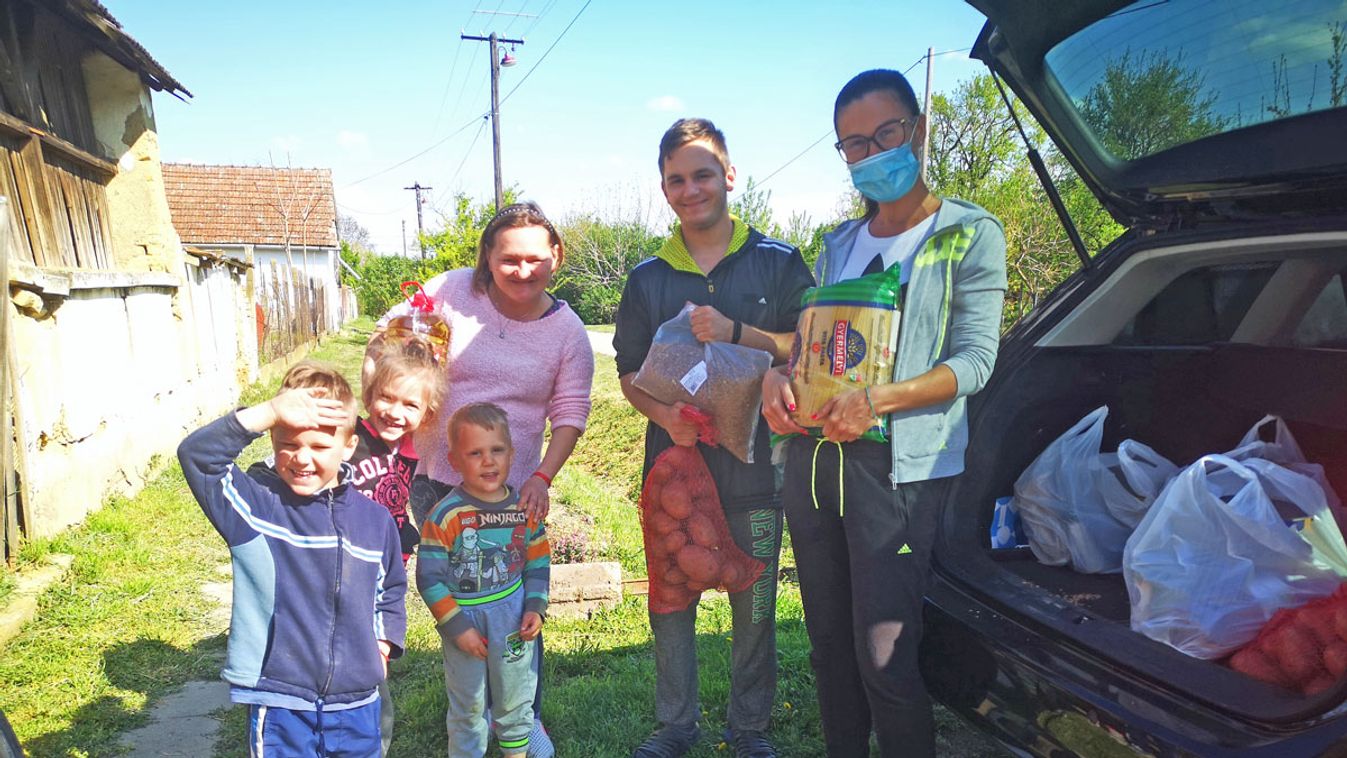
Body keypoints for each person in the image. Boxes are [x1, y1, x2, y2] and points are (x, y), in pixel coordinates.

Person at [760, 69, 1008, 758]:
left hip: (896, 471)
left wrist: (877, 400)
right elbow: (812, 352)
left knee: (883, 654)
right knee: (828, 648)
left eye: (885, 134)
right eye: (852, 145)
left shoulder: (967, 234)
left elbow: (974, 363)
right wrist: (777, 385)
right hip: (813, 464)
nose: (871, 155)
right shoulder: (838, 243)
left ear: (918, 130)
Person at [613, 117, 815, 758]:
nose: (690, 188)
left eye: (703, 174)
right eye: (676, 179)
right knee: (672, 602)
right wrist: (664, 418)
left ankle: (749, 731)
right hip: (675, 475)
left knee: (755, 606)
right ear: (664, 188)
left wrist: (737, 333)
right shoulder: (648, 278)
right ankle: (675, 727)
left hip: (757, 470)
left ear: (729, 176)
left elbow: (808, 348)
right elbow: (626, 373)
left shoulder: (778, 263)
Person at [379, 201, 593, 757]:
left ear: (556, 255)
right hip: (440, 482)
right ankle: (470, 711)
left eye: (534, 259)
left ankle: (522, 717)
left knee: (515, 600)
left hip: (510, 489)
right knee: (462, 597)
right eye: (508, 260)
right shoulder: (452, 291)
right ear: (487, 260)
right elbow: (388, 337)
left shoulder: (567, 331)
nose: (523, 271)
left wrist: (543, 476)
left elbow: (570, 411)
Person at [178, 361, 407, 756]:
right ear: (271, 439)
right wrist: (269, 410)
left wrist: (383, 645)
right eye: (288, 443)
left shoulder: (375, 521)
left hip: (357, 701)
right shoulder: (257, 510)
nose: (302, 458)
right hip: (281, 698)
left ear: (349, 446)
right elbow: (198, 458)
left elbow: (390, 589)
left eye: (319, 446)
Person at [418, 403, 550, 758]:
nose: (488, 461)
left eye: (496, 450)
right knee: (469, 704)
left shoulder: (524, 510)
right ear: (454, 460)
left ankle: (517, 751)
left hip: (512, 622)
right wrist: (458, 628)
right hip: (465, 625)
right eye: (475, 453)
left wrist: (536, 607)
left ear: (511, 453)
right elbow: (429, 578)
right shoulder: (446, 516)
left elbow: (538, 563)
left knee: (516, 695)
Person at [351, 342, 442, 755]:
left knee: (375, 667)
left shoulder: (412, 448)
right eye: (386, 397)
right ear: (369, 395)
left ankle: (372, 743)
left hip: (383, 575)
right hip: (343, 565)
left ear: (425, 414)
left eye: (410, 404)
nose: (395, 411)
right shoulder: (348, 437)